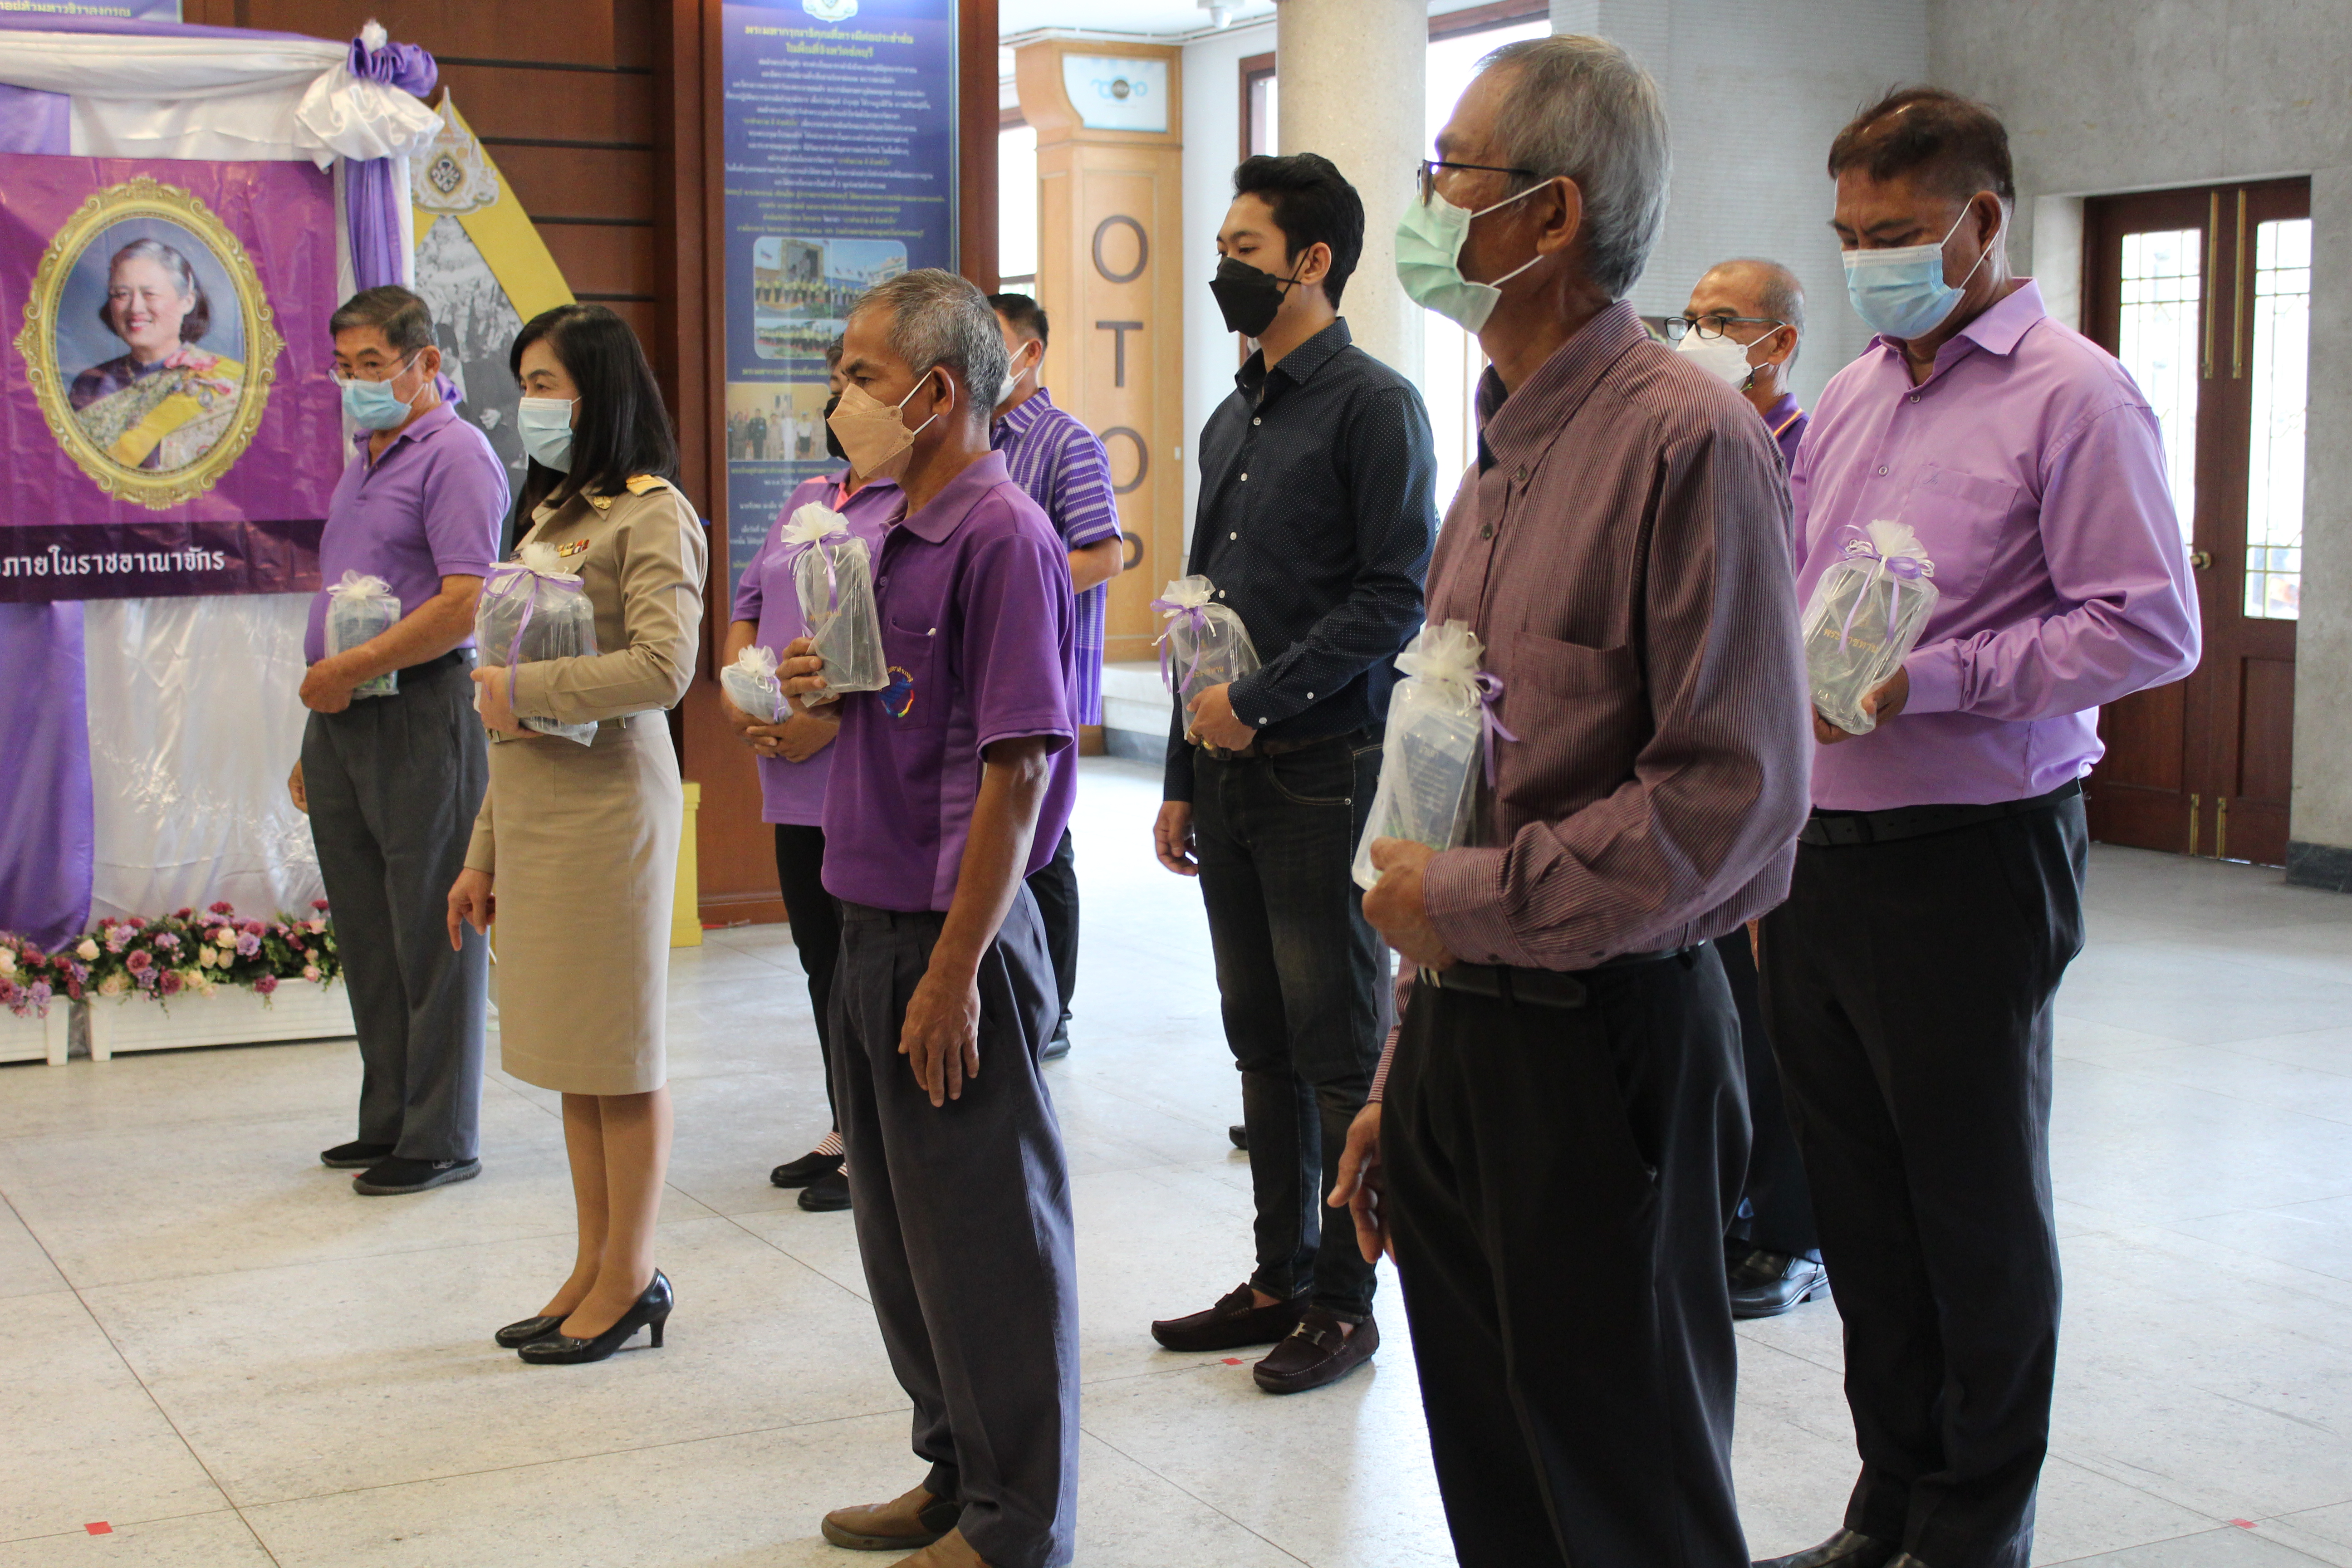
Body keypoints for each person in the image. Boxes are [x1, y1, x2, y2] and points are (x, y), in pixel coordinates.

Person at [1329, 36, 1812, 1568]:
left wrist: (1455, 909)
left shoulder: (1687, 441)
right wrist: (1407, 1051)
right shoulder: (1495, 462)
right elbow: (1451, 783)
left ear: (1549, 217)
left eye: (1447, 177)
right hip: (1472, 1034)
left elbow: (1726, 804)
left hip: (1609, 1048)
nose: (1425, 210)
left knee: (1627, 1492)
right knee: (1496, 1474)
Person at [1753, 89, 2199, 1568]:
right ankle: (1889, 1493)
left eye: (1891, 233)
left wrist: (1929, 679)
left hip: (1973, 852)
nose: (1866, 261)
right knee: (1860, 1206)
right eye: (1847, 237)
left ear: (1981, 219)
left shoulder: (2076, 396)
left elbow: (2149, 625)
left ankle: (1974, 1519)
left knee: (1971, 1207)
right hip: (1821, 854)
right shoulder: (1859, 390)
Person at [780, 269, 1078, 1568]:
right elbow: (867, 716)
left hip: (952, 932)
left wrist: (957, 971)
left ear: (935, 391)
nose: (838, 397)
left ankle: (1019, 1523)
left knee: (987, 1240)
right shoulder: (886, 525)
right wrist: (814, 689)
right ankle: (958, 1472)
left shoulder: (1004, 534)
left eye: (857, 374)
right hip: (868, 911)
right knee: (905, 1235)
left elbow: (1020, 764)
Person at [1147, 152, 1436, 1395]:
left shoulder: (1376, 406)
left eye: (1246, 252)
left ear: (1311, 263)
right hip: (1226, 776)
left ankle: (1344, 1298)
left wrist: (1257, 707)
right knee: (1256, 1038)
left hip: (1323, 767)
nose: (1224, 272)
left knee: (1333, 1043)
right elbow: (1198, 609)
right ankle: (1277, 1272)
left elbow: (1393, 599)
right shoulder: (1232, 413)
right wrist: (1178, 764)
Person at [446, 303, 707, 1366]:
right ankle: (592, 1262)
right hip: (537, 803)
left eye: (548, 381)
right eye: (526, 382)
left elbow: (664, 666)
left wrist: (525, 684)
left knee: (620, 1048)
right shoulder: (549, 515)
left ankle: (632, 1272)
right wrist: (479, 856)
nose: (532, 403)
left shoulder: (653, 513)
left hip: (608, 806)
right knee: (572, 1056)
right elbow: (502, 710)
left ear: (600, 390)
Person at [291, 285, 505, 1197]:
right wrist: (322, 722)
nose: (356, 385)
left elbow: (464, 602)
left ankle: (441, 1132)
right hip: (348, 714)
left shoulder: (455, 453)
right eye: (344, 369)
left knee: (432, 925)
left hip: (423, 708)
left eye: (373, 366)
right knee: (370, 930)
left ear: (428, 365)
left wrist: (350, 673)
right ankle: (389, 1118)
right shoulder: (366, 456)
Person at [1672, 258, 1828, 1318]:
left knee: (1782, 1019)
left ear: (1775, 341)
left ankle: (1790, 1232)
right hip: (1700, 762)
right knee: (1716, 1005)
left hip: (1786, 763)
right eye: (1687, 320)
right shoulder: (1689, 440)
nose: (1698, 337)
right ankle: (1721, 1206)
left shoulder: (1807, 454)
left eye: (1720, 321)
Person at [724, 337, 900, 1214]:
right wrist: (742, 693)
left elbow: (887, 650)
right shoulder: (807, 497)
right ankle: (845, 1122)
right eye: (835, 386)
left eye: (859, 383)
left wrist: (815, 725)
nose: (841, 402)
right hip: (789, 776)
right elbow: (749, 601)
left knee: (866, 965)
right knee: (820, 961)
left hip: (854, 768)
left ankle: (877, 1143)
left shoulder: (911, 506)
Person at [986, 291, 1123, 1062]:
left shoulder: (1065, 441)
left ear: (1030, 353)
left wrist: (1013, 584)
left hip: (1049, 668)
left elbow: (1106, 553)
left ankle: (1056, 1008)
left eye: (993, 340)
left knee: (1045, 842)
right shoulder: (970, 437)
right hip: (986, 673)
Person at [69, 238, 245, 472]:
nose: (135, 309)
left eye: (150, 294)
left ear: (187, 301)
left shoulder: (226, 381)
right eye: (121, 295)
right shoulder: (91, 383)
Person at [1673, 256, 1809, 467]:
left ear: (1781, 343)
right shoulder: (1681, 439)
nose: (1694, 339)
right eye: (1691, 323)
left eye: (1720, 322)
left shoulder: (1808, 453)